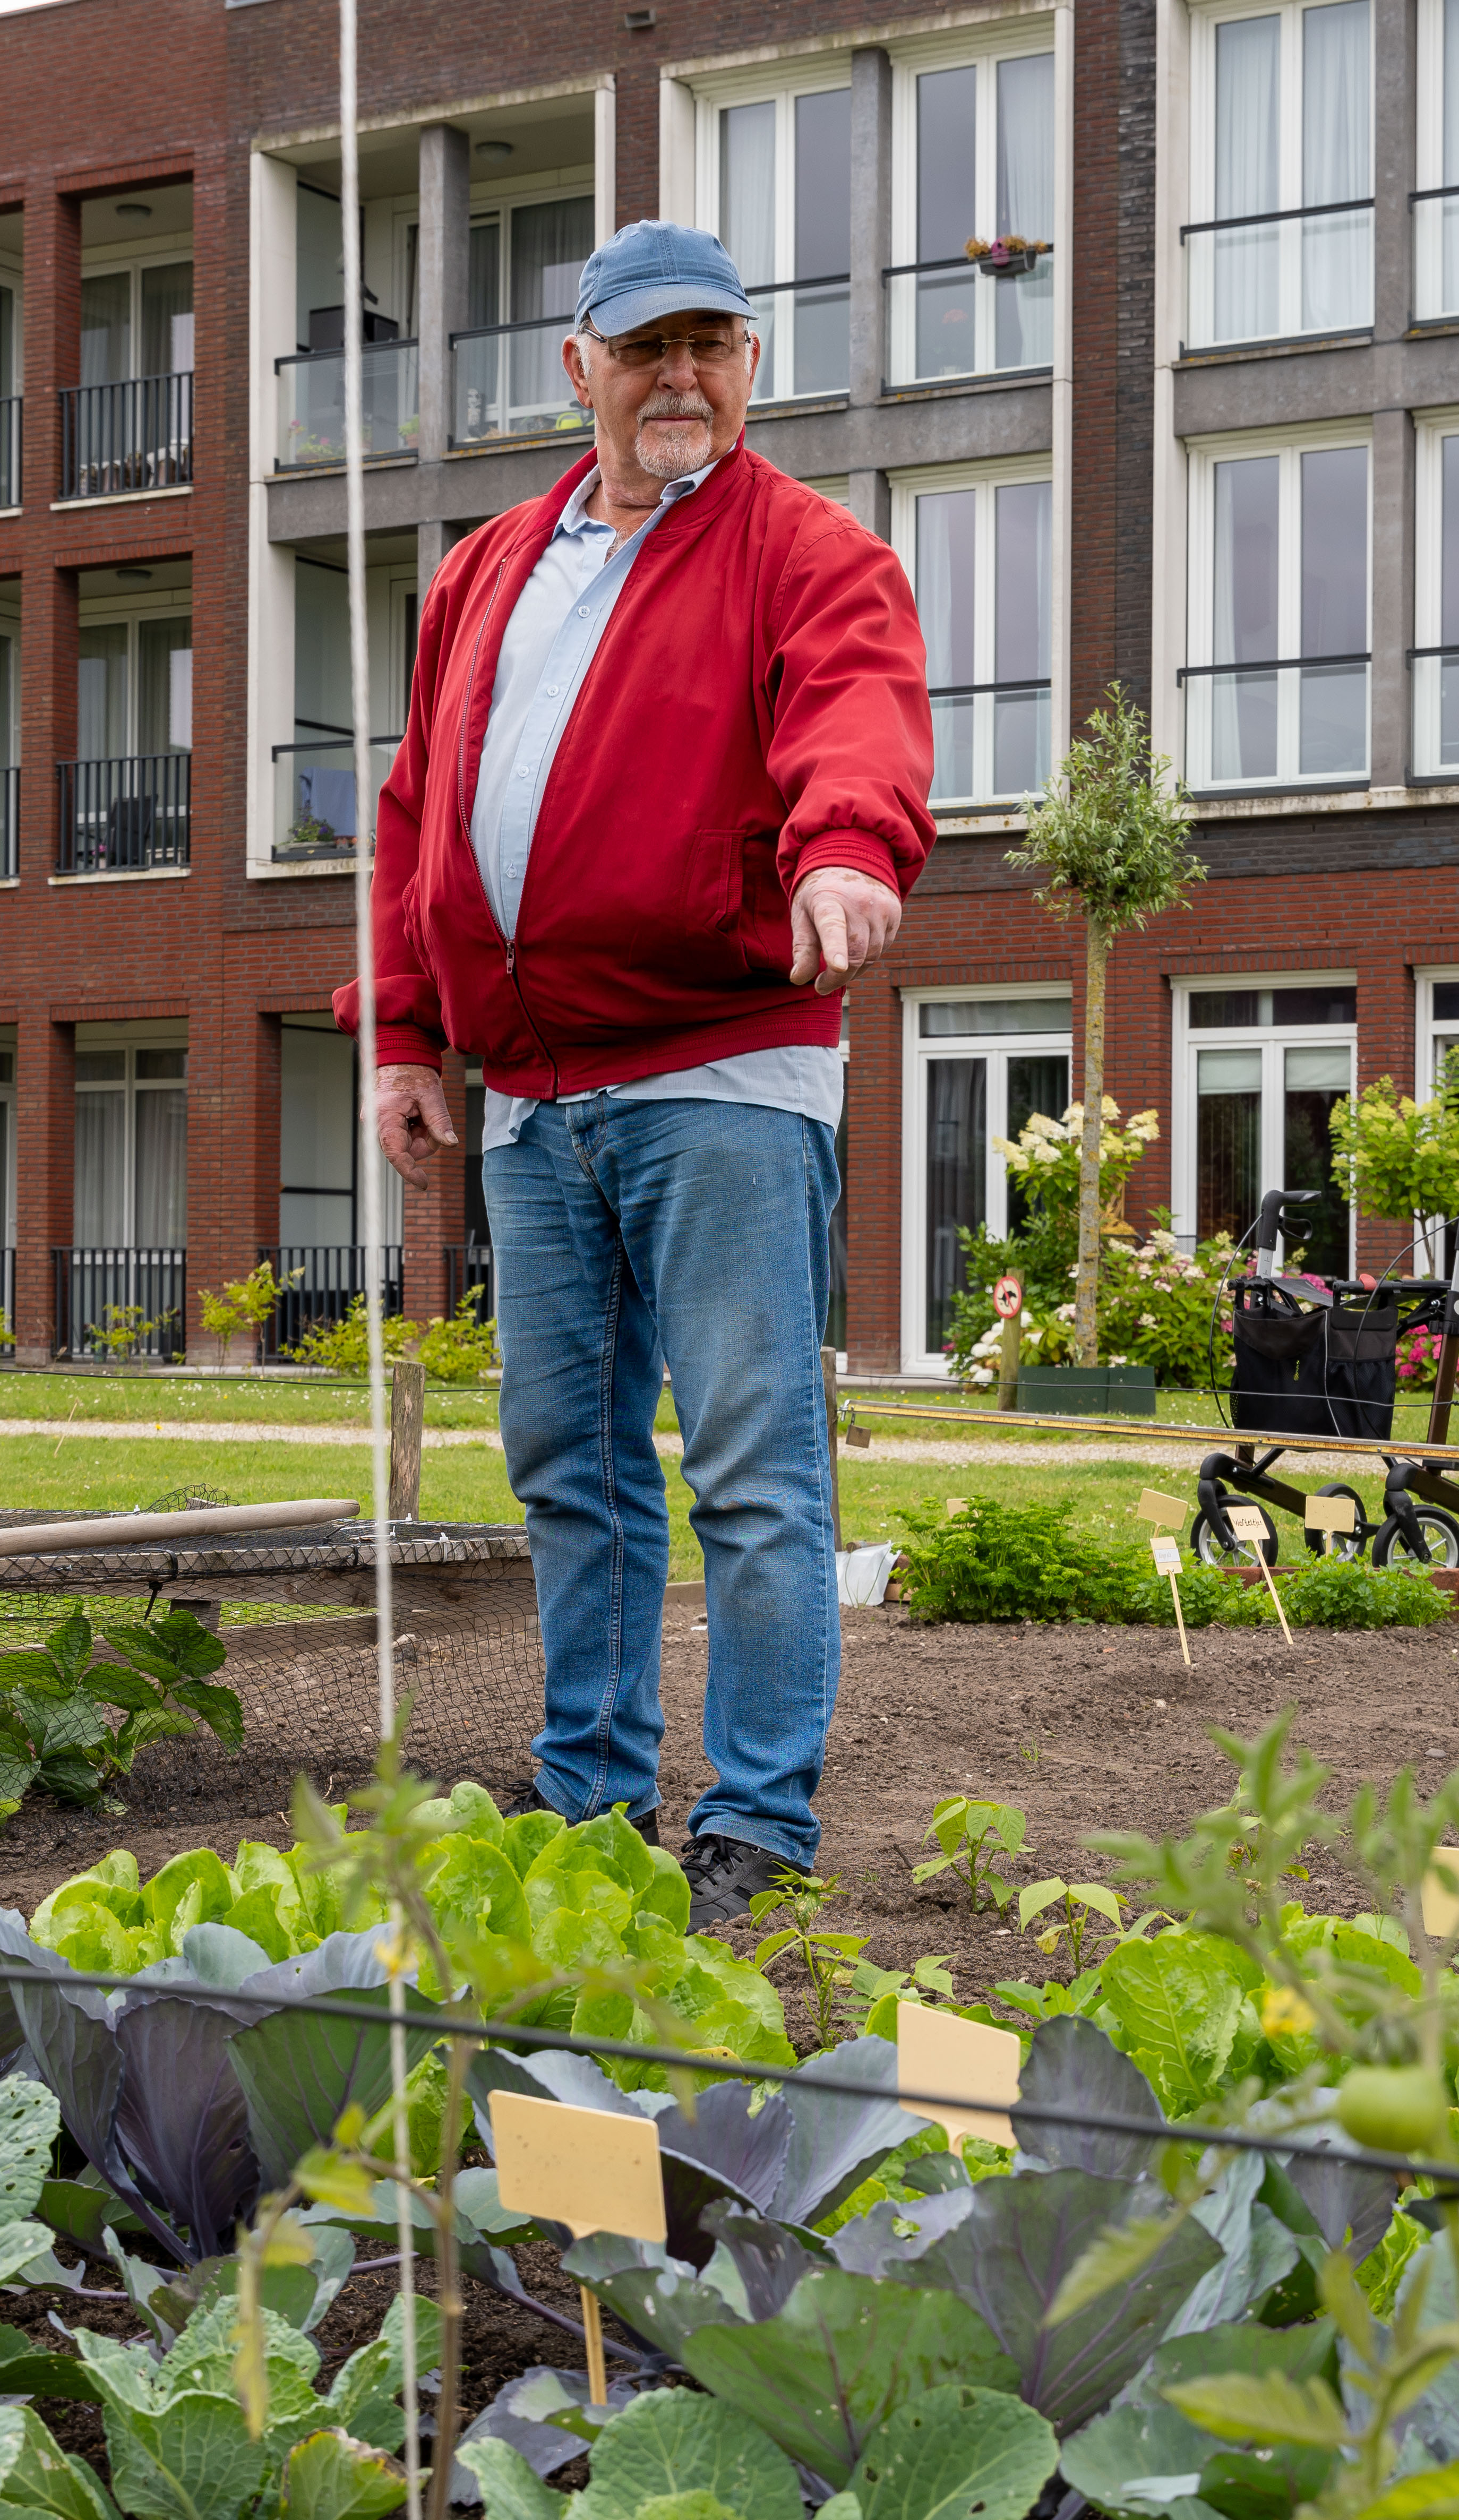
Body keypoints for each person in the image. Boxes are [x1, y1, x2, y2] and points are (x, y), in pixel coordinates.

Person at [338, 220, 934, 1925]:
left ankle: (754, 1819)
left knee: (750, 1457)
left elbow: (857, 711)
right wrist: (401, 1031)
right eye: (646, 347)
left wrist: (844, 848)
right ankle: (589, 1790)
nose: (682, 377)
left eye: (713, 347)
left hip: (720, 1068)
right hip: (527, 1090)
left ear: (751, 363)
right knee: (564, 1458)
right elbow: (413, 817)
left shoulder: (809, 554)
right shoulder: (482, 572)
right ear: (578, 369)